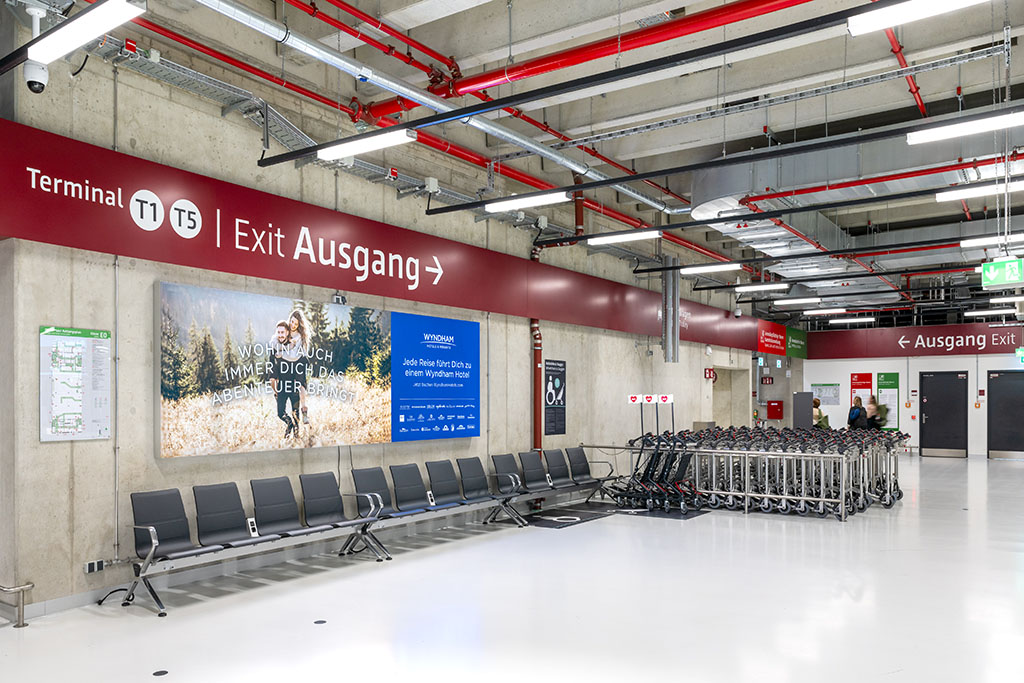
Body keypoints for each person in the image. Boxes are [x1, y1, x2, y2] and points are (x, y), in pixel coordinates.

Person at [269, 321, 300, 438]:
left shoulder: (293, 346)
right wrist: (274, 384)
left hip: (293, 384)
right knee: (280, 413)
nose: (280, 335)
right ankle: (289, 424)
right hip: (281, 385)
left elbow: (298, 364)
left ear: (287, 333)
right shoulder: (274, 348)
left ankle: (297, 437)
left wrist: (299, 381)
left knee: (296, 412)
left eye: (282, 332)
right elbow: (272, 365)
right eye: (278, 332)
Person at [287, 309, 311, 425]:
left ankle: (305, 413)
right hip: (288, 362)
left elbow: (302, 350)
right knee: (291, 390)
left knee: (301, 387)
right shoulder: (286, 332)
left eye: (296, 324)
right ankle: (293, 417)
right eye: (292, 322)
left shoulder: (301, 336)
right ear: (290, 319)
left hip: (299, 361)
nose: (293, 325)